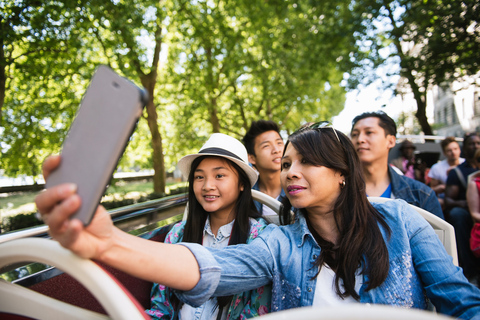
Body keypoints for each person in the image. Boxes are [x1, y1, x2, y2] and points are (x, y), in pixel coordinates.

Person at [36, 123, 480, 319]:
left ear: (343, 173)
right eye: (286, 163)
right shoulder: (279, 244)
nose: (290, 172)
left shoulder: (402, 221)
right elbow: (207, 267)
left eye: (307, 162)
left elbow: (462, 301)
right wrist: (106, 243)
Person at [144, 133, 270, 319]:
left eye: (219, 175)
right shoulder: (177, 234)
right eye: (199, 177)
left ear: (242, 183)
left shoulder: (260, 238)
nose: (207, 185)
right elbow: (160, 308)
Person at [350, 111, 444, 219]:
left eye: (369, 132)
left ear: (391, 141)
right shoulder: (338, 192)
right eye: (354, 135)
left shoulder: (421, 195)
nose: (360, 139)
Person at [445, 132, 480, 282]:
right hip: (467, 211)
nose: (476, 146)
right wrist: (466, 203)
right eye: (472, 144)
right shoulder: (457, 172)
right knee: (457, 215)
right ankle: (469, 270)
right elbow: (448, 199)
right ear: (464, 147)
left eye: (478, 143)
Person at [242, 120, 285, 216]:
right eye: (266, 146)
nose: (276, 150)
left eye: (279, 143)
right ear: (252, 158)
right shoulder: (246, 197)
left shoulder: (298, 189)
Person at [428, 136, 465, 209]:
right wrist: (439, 188)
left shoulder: (467, 163)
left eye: (455, 149)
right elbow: (431, 189)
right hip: (447, 199)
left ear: (460, 150)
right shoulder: (437, 168)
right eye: (449, 150)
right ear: (444, 153)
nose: (453, 152)